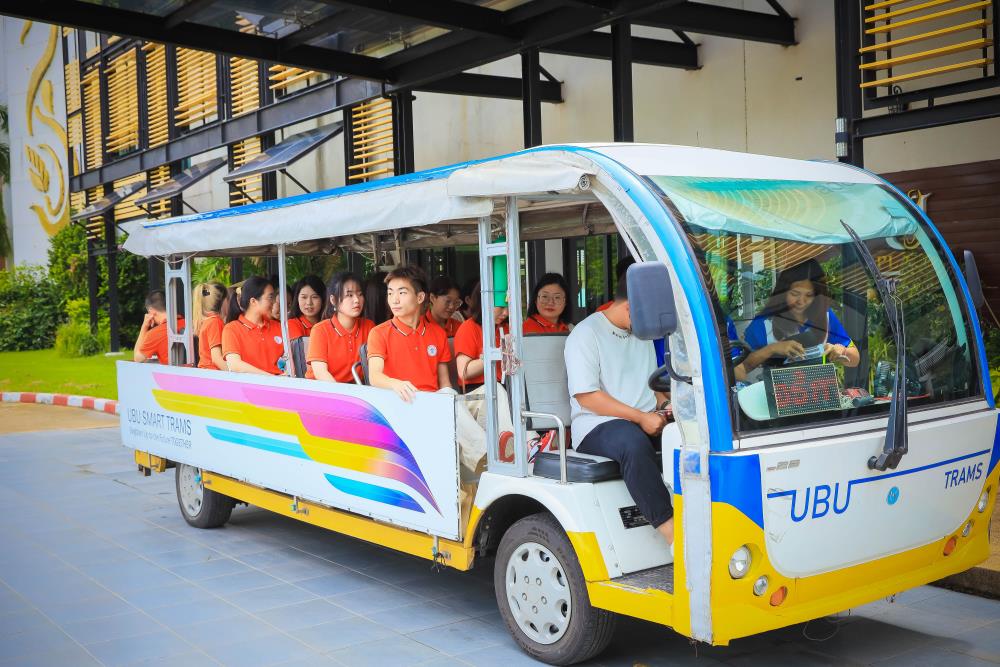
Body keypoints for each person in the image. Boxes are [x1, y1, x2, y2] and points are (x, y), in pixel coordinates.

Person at [565, 276, 674, 549]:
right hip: (596, 424)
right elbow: (587, 397)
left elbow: (651, 386)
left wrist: (664, 407)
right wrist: (641, 417)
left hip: (644, 418)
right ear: (630, 306)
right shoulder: (585, 333)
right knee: (632, 444)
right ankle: (672, 533)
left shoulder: (641, 333)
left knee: (690, 437)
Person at [367, 266, 488, 487]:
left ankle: (505, 450)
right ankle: (483, 455)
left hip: (436, 404)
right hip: (404, 405)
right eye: (390, 293)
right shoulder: (379, 333)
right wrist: (396, 383)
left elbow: (444, 382)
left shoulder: (437, 333)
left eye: (402, 292)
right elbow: (375, 376)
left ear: (420, 297)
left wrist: (448, 400)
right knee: (447, 397)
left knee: (492, 392)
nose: (394, 299)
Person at [739, 259, 859, 375]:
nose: (801, 301)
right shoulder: (764, 323)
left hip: (819, 387)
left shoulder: (824, 315)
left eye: (809, 295)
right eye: (795, 294)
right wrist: (773, 349)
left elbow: (855, 359)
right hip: (775, 388)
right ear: (783, 292)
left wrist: (841, 351)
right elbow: (739, 370)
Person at [306, 271, 375, 382]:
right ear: (333, 300)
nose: (357, 300)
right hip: (325, 388)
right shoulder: (320, 330)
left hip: (358, 389)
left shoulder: (369, 326)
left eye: (360, 294)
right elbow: (320, 373)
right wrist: (341, 392)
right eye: (349, 295)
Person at [221, 276, 285, 375]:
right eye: (270, 297)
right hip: (250, 384)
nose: (274, 302)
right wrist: (270, 378)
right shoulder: (232, 329)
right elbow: (235, 365)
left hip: (280, 382)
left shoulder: (278, 327)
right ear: (253, 301)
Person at [454, 283, 506, 393]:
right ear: (485, 303)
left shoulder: (506, 328)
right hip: (478, 390)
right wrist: (496, 355)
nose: (506, 313)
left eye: (508, 307)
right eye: (501, 307)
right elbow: (464, 372)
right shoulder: (468, 328)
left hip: (506, 385)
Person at [134, 290, 182, 365]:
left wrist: (144, 327)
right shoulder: (190, 324)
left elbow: (137, 358)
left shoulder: (155, 334)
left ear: (151, 311)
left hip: (171, 371)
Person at [193, 282, 227, 370]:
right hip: (214, 373)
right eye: (228, 299)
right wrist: (235, 374)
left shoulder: (208, 321)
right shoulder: (215, 322)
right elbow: (216, 359)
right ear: (223, 302)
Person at [287, 275, 326, 339]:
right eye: (304, 297)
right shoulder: (292, 324)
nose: (309, 302)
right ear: (297, 299)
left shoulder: (330, 324)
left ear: (323, 299)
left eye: (314, 297)